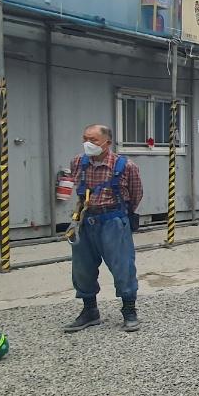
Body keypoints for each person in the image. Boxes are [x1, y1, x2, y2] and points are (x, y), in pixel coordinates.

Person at [64, 124, 143, 333]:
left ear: (107, 142)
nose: (87, 144)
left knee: (123, 266)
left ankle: (129, 310)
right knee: (82, 268)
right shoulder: (77, 162)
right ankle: (90, 311)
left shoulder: (126, 166)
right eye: (85, 139)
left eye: (93, 140)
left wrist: (121, 216)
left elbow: (136, 195)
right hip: (85, 219)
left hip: (113, 220)